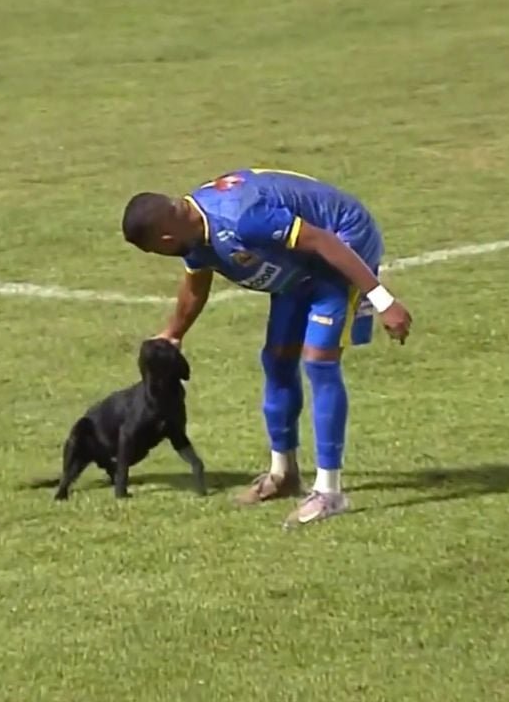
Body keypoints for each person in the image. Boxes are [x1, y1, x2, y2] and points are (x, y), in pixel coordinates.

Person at [121, 168, 413, 526]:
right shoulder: (193, 226)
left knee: (319, 361)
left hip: (341, 238)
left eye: (154, 250)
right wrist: (173, 334)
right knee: (276, 360)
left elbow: (323, 242)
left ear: (165, 238)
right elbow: (196, 282)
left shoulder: (243, 219)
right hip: (300, 260)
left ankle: (330, 492)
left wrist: (383, 300)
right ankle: (284, 474)